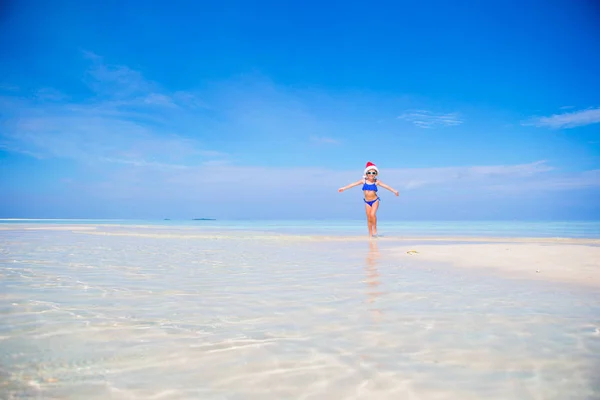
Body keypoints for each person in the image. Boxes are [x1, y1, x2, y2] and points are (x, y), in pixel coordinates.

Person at [338, 161, 399, 238]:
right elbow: (353, 184)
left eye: (373, 173)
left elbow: (386, 186)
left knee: (372, 214)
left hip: (375, 201)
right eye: (369, 173)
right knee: (369, 217)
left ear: (376, 174)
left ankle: (375, 229)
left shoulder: (377, 182)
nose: (371, 174)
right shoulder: (363, 181)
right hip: (367, 202)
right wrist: (343, 188)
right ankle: (370, 235)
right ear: (366, 173)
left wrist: (394, 191)